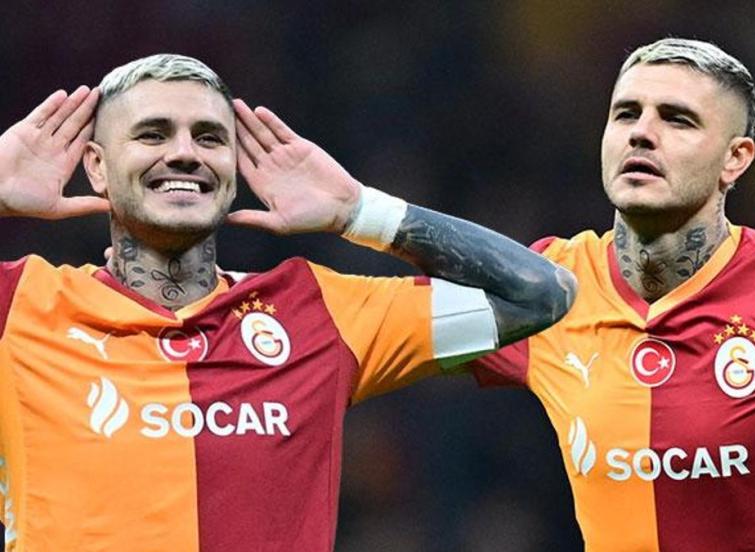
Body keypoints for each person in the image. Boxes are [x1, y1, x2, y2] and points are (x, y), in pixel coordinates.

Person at [0, 55, 576, 551]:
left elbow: (539, 294)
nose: (185, 154)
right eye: (152, 134)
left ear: (233, 170)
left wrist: (359, 211)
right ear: (96, 167)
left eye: (210, 137)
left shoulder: (316, 313)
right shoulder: (22, 306)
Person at [472, 38, 755, 551]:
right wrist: (365, 215)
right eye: (626, 114)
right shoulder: (555, 289)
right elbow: (380, 319)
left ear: (735, 158)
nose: (641, 132)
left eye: (677, 119)